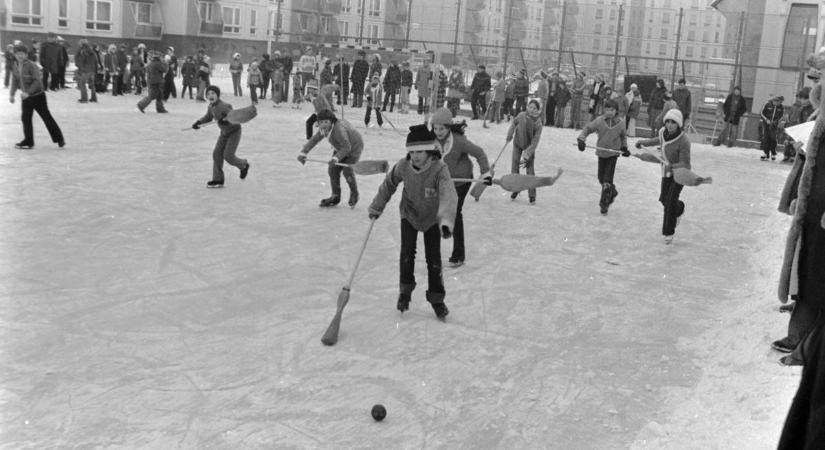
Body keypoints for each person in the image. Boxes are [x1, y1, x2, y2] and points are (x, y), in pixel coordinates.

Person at [367, 124, 458, 320]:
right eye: (412, 151)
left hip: (432, 218)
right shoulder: (403, 166)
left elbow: (448, 194)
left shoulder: (439, 169)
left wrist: (446, 220)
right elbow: (388, 184)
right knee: (407, 253)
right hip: (409, 214)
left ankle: (437, 300)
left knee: (433, 260)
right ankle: (405, 292)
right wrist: (377, 206)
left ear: (430, 150)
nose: (416, 156)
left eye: (420, 151)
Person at [431, 108, 491, 267]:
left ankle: (459, 254)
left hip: (461, 181)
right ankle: (445, 228)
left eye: (441, 129)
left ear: (448, 127)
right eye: (435, 128)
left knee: (455, 212)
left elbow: (479, 153)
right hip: (442, 181)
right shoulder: (431, 141)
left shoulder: (458, 141)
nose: (438, 132)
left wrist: (485, 173)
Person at [634, 109, 692, 244]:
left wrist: (676, 166)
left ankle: (668, 232)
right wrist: (643, 143)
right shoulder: (662, 133)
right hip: (666, 171)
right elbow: (657, 140)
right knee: (664, 199)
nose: (670, 125)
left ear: (679, 124)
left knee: (670, 200)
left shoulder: (684, 140)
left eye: (673, 122)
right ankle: (679, 208)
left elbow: (686, 162)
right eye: (668, 122)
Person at [298, 109, 363, 208]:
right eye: (321, 122)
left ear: (331, 121)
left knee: (347, 171)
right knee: (333, 169)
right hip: (340, 146)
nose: (323, 124)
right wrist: (304, 153)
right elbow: (314, 140)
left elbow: (347, 147)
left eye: (326, 122)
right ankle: (335, 195)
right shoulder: (324, 129)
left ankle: (354, 193)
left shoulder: (339, 130)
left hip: (354, 147)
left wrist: (336, 159)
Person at [191, 86, 250, 188]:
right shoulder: (211, 107)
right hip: (224, 133)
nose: (211, 96)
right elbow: (208, 117)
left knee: (228, 156)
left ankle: (243, 165)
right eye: (208, 94)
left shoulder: (224, 106)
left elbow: (234, 117)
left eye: (213, 93)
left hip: (234, 132)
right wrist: (199, 123)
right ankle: (218, 179)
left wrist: (226, 120)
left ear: (217, 95)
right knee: (217, 154)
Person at [577, 98, 629, 215]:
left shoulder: (621, 123)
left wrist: (624, 148)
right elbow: (588, 128)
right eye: (607, 109)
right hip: (601, 153)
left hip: (613, 154)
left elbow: (623, 137)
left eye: (612, 110)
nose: (609, 112)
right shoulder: (600, 121)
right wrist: (581, 139)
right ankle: (613, 191)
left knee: (607, 180)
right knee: (601, 178)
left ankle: (604, 204)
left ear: (616, 111)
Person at [9, 44, 64, 150]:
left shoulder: (31, 65)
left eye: (22, 54)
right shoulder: (15, 66)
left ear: (26, 55)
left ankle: (59, 139)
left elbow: (37, 81)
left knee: (46, 117)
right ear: (15, 55)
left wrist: (28, 93)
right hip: (26, 97)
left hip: (38, 96)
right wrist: (12, 94)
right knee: (26, 119)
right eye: (17, 54)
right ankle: (28, 141)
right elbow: (15, 81)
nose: (20, 56)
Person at [507, 99, 544, 204]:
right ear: (527, 107)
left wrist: (527, 154)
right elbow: (514, 124)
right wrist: (510, 134)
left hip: (529, 146)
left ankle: (532, 195)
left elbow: (535, 142)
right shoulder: (521, 115)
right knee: (514, 166)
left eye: (534, 108)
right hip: (518, 143)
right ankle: (516, 188)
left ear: (538, 111)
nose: (532, 110)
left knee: (530, 170)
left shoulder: (538, 124)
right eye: (530, 107)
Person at [782, 87, 815, 162]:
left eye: (806, 98)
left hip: (812, 139)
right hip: (803, 140)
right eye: (801, 98)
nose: (802, 100)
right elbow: (799, 125)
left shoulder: (815, 110)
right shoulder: (801, 109)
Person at [760, 95, 785, 161]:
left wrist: (776, 121)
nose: (776, 103)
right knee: (766, 138)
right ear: (772, 101)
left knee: (773, 139)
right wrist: (766, 120)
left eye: (777, 101)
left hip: (774, 125)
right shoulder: (767, 105)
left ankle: (773, 153)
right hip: (766, 124)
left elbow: (781, 116)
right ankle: (766, 153)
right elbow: (762, 113)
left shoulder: (781, 107)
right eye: (774, 101)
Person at [74, 39, 98, 104]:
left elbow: (82, 60)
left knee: (82, 84)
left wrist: (79, 67)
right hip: (92, 70)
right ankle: (94, 98)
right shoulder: (91, 50)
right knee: (92, 85)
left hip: (86, 70)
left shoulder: (83, 50)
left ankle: (84, 99)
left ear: (82, 44)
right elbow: (96, 60)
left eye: (79, 44)